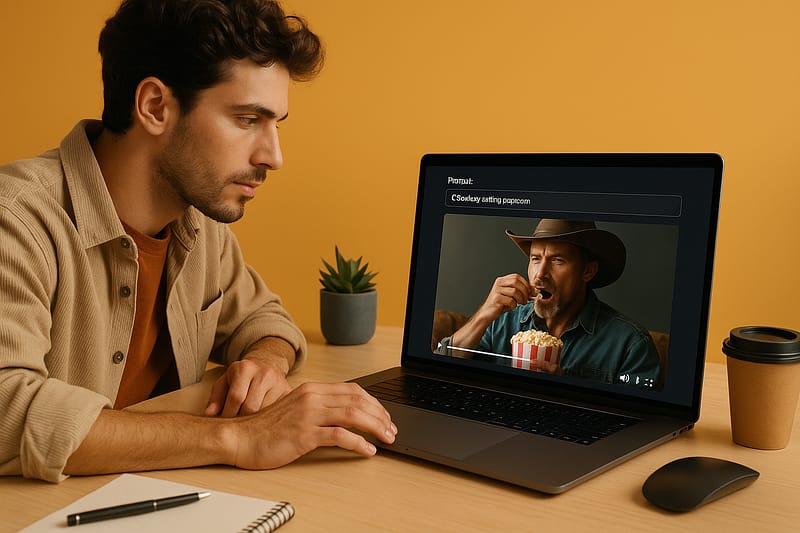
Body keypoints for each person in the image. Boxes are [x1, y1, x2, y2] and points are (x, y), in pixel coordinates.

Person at [0, 0, 396, 483]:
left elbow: (263, 318)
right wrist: (239, 438)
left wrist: (263, 364)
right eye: (248, 120)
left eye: (276, 124)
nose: (274, 157)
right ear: (155, 107)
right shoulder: (16, 221)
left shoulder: (199, 223)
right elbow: (6, 411)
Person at [439, 219, 661, 387]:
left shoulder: (630, 344)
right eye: (535, 259)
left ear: (587, 271)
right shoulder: (502, 320)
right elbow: (440, 370)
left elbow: (640, 420)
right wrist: (483, 315)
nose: (540, 274)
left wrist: (567, 391)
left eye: (557, 260)